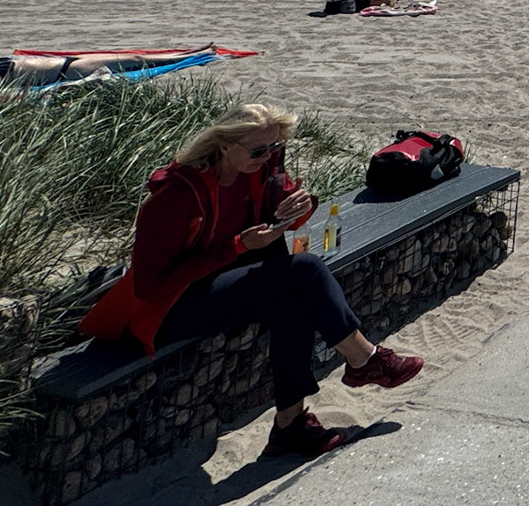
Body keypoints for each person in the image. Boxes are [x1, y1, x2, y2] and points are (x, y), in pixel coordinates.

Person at [78, 104, 424, 460]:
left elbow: (281, 218)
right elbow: (149, 287)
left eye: (276, 147)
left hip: (228, 282)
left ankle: (290, 425)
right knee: (305, 270)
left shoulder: (259, 169)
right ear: (224, 144)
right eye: (259, 149)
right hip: (171, 307)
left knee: (292, 300)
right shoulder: (176, 196)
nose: (269, 156)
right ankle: (364, 359)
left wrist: (300, 207)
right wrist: (238, 247)